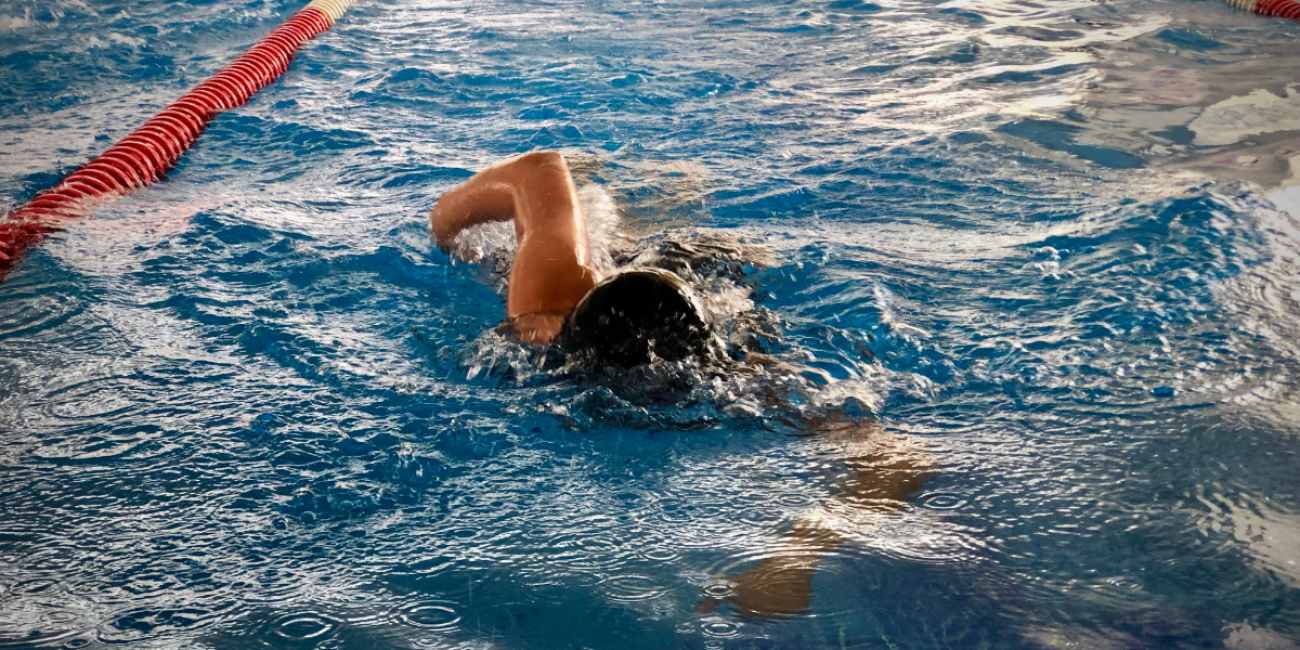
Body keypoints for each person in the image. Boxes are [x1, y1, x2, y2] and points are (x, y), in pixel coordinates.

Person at [431, 150, 934, 617]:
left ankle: (679, 188)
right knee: (630, 227)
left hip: (701, 265)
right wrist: (445, 227)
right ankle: (667, 186)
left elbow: (902, 462)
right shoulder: (552, 290)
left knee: (705, 247)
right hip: (651, 287)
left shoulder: (739, 376)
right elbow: (538, 166)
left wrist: (792, 562)